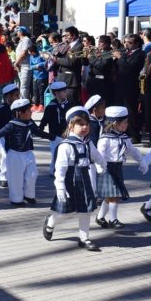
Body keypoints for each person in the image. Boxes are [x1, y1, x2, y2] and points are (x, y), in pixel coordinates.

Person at [42, 106, 107, 251]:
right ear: (71, 126)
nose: (85, 127)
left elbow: (96, 156)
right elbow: (61, 168)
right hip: (70, 180)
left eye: (87, 124)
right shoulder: (65, 146)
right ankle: (51, 221)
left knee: (85, 209)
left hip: (84, 177)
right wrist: (59, 186)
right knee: (68, 211)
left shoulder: (87, 142)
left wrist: (102, 165)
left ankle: (84, 238)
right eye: (81, 124)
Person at [0, 98, 55, 206]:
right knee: (16, 178)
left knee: (32, 175)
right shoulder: (12, 124)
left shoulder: (29, 123)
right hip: (15, 155)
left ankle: (29, 195)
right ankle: (16, 199)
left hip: (28, 153)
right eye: (29, 110)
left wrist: (54, 137)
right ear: (20, 113)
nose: (31, 112)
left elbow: (39, 133)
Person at [95, 106, 143, 229]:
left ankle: (100, 217)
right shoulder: (105, 139)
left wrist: (142, 161)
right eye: (125, 122)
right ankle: (113, 219)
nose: (127, 125)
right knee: (114, 195)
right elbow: (98, 154)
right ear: (115, 123)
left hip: (118, 168)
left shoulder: (124, 138)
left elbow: (133, 151)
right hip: (107, 168)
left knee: (110, 195)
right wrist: (100, 167)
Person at [112, 34, 145, 143]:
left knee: (130, 112)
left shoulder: (140, 54)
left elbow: (130, 68)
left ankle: (134, 135)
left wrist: (120, 58)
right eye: (125, 42)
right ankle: (121, 131)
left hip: (131, 87)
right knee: (120, 110)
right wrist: (114, 59)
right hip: (120, 86)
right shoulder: (126, 53)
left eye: (129, 43)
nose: (126, 44)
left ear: (136, 44)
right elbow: (119, 67)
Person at [0, 83, 20, 188]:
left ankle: (15, 175)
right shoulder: (0, 110)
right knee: (6, 155)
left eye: (18, 95)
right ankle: (4, 177)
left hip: (16, 136)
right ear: (8, 97)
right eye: (15, 95)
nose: (17, 98)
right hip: (3, 136)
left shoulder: (19, 108)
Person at [40, 81, 71, 176]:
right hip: (55, 135)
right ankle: (53, 170)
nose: (66, 93)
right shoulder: (51, 106)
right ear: (56, 93)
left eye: (66, 91)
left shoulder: (69, 105)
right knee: (55, 153)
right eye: (63, 91)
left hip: (67, 134)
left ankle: (65, 170)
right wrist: (40, 128)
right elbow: (45, 119)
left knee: (67, 153)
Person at [86, 35, 115, 104]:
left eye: (101, 42)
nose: (98, 44)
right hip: (93, 81)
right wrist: (88, 55)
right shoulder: (99, 51)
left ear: (107, 44)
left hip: (101, 84)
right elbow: (87, 63)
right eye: (98, 42)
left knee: (100, 103)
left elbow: (102, 65)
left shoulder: (108, 53)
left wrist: (91, 58)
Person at [14, 26, 33, 100]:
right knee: (21, 85)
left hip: (25, 66)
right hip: (20, 66)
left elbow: (24, 53)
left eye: (18, 31)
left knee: (24, 86)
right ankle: (23, 100)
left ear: (21, 32)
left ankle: (25, 102)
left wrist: (16, 62)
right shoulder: (21, 41)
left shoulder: (26, 40)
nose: (17, 33)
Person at [28, 43, 47, 112]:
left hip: (42, 77)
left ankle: (42, 105)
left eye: (29, 51)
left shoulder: (41, 55)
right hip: (35, 76)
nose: (28, 53)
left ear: (32, 51)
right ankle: (36, 104)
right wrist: (35, 66)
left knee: (41, 91)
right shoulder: (31, 57)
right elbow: (30, 66)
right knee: (35, 91)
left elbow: (46, 62)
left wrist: (40, 65)